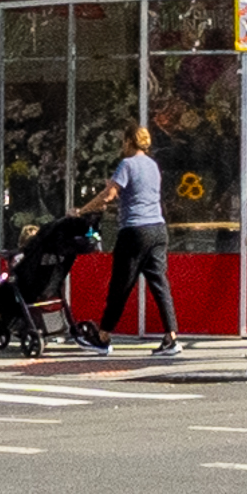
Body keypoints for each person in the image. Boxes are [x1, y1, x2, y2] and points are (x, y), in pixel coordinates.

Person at [80, 123, 182, 356]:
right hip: (158, 229)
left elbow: (108, 196)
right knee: (160, 284)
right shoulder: (153, 165)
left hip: (134, 230)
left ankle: (103, 337)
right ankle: (172, 337)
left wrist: (82, 210)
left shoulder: (126, 164)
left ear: (128, 141)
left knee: (120, 285)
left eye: (123, 141)